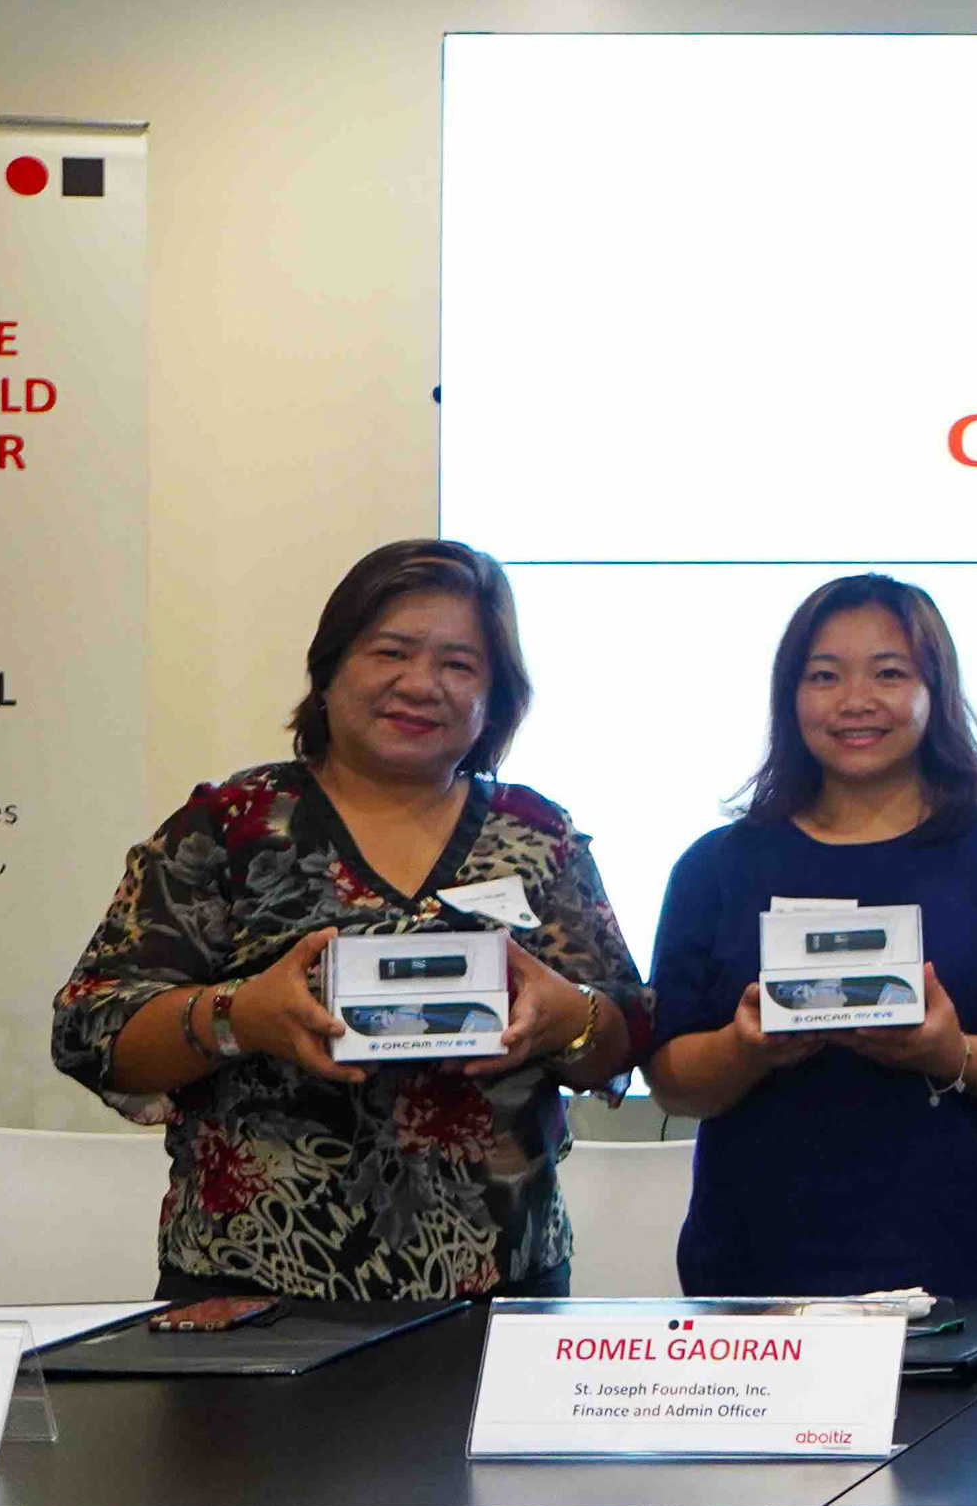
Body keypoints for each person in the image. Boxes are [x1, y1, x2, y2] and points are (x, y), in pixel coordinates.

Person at [51, 539, 650, 1300]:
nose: (420, 685)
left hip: (501, 1287)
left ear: (495, 697)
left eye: (459, 665)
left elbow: (629, 1026)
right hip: (252, 1289)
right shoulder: (230, 826)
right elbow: (91, 1029)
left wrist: (570, 1018)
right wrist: (240, 1016)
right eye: (390, 652)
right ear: (329, 670)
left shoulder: (539, 834)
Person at [644, 573, 977, 1298]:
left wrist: (949, 1053)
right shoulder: (717, 866)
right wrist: (745, 1048)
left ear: (935, 690)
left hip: (974, 1269)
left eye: (889, 673)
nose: (855, 700)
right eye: (824, 676)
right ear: (789, 696)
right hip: (757, 1281)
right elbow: (671, 1080)